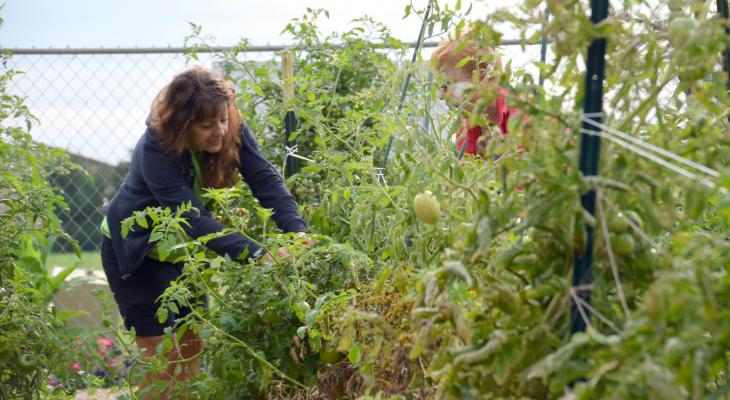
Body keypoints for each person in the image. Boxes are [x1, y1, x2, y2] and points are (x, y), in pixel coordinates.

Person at [99, 65, 310, 397]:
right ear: (183, 125)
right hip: (137, 250)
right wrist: (261, 255)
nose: (220, 131)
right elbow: (194, 220)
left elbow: (266, 180)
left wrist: (297, 232)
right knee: (159, 353)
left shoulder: (233, 128)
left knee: (192, 345)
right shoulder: (155, 148)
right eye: (206, 125)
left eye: (223, 120)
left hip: (183, 252)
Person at [430, 25, 523, 158]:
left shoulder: (524, 121)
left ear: (482, 76)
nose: (441, 97)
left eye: (448, 85)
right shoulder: (467, 130)